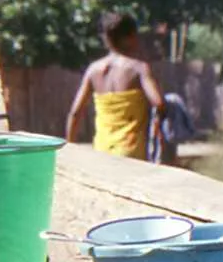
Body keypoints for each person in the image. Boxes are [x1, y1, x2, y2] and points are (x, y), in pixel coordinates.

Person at [65, 13, 165, 161]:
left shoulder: (93, 70)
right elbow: (158, 103)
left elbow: (75, 112)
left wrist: (70, 147)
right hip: (131, 152)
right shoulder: (139, 68)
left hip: (102, 149)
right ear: (130, 37)